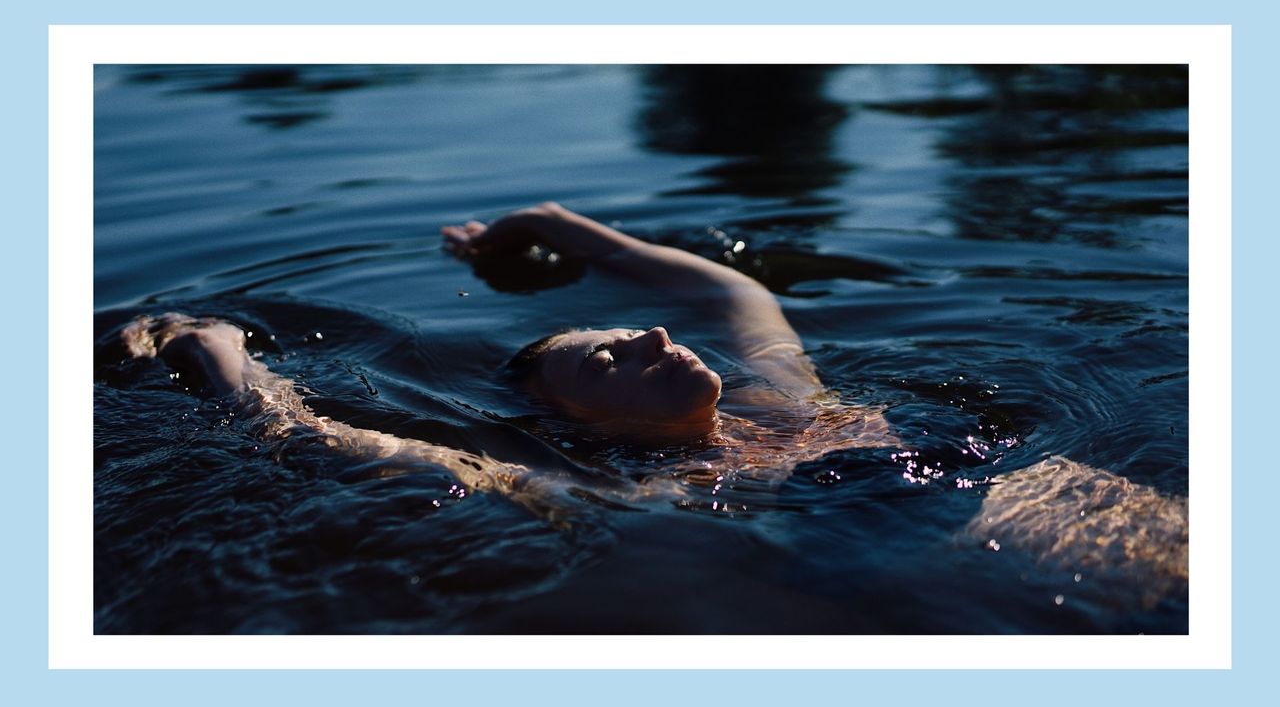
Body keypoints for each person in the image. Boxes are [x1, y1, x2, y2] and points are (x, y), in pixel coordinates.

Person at [119, 203, 1187, 599]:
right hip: (936, 575)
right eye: (606, 361)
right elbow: (321, 437)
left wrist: (548, 222)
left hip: (1050, 501)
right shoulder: (615, 487)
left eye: (632, 338)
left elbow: (721, 288)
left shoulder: (779, 399)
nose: (651, 338)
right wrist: (220, 354)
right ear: (577, 420)